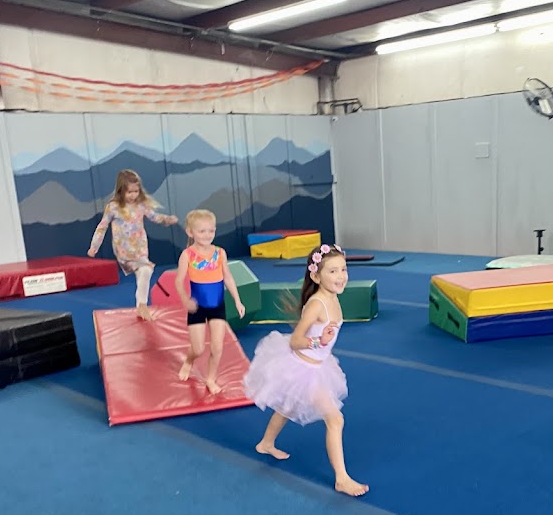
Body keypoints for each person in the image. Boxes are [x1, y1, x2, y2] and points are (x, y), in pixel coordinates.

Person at [244, 243, 368, 497]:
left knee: (287, 407)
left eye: (343, 269)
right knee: (335, 419)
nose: (341, 276)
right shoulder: (317, 304)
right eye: (332, 271)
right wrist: (318, 341)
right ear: (316, 276)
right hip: (303, 368)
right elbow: (295, 341)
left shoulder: (333, 297)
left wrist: (322, 343)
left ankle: (266, 443)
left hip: (319, 365)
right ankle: (342, 479)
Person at [87, 169, 178, 321]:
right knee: (145, 269)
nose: (133, 195)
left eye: (136, 191)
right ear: (121, 190)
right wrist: (94, 247)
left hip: (140, 248)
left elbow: (154, 217)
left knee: (145, 271)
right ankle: (142, 305)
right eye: (129, 192)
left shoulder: (141, 205)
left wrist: (167, 220)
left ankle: (141, 305)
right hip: (124, 250)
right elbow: (102, 227)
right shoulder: (114, 207)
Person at [174, 209, 246, 395]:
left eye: (211, 231)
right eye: (202, 231)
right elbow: (178, 281)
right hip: (197, 307)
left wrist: (237, 300)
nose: (207, 235)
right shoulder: (188, 255)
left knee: (217, 346)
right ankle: (189, 361)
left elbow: (228, 277)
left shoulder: (220, 253)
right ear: (190, 232)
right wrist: (185, 300)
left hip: (217, 306)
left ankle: (210, 378)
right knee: (198, 349)